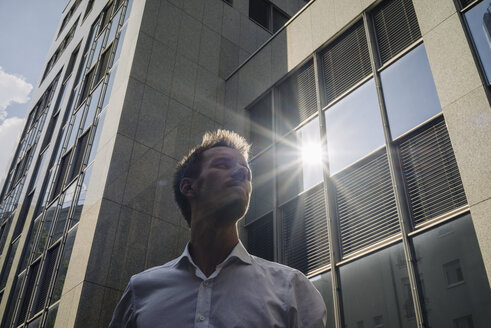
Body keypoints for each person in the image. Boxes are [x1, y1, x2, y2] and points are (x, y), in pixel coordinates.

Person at [109, 130, 327, 327]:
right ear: (188, 187)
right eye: (223, 165)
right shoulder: (140, 291)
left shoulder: (291, 288)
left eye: (247, 173)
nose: (241, 174)